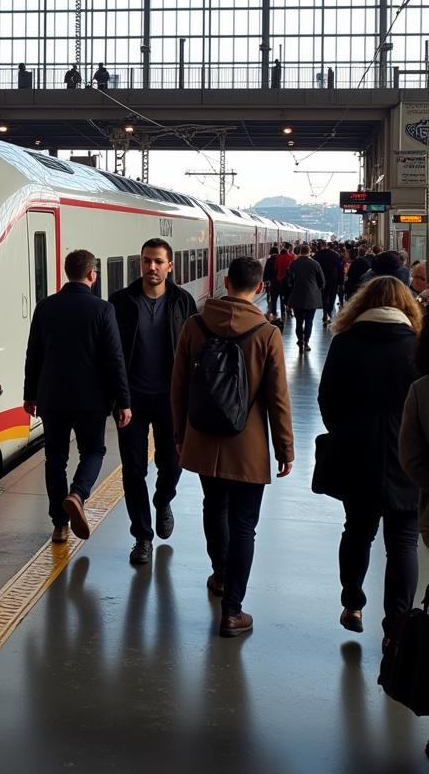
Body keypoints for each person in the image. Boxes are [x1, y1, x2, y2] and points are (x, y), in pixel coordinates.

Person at [171, 256, 293, 638]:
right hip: (248, 444)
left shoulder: (194, 326)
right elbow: (277, 397)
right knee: (244, 526)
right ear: (259, 288)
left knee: (213, 505)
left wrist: (179, 436)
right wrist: (285, 449)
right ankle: (232, 611)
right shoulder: (267, 332)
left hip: (204, 439)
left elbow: (178, 388)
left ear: (225, 282)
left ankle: (220, 575)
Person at [320, 276, 420, 646]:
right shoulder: (417, 345)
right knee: (404, 542)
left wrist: (346, 431)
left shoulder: (345, 343)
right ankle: (396, 627)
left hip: (355, 451)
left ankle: (353, 603)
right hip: (405, 456)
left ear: (361, 303)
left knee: (357, 530)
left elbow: (326, 399)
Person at [23, 249, 132, 544]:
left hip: (52, 399)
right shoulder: (102, 310)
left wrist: (29, 395)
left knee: (55, 459)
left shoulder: (45, 307)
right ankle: (77, 494)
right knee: (93, 451)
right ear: (92, 275)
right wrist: (124, 401)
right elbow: (114, 359)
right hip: (91, 400)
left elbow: (34, 355)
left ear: (65, 272)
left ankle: (59, 526)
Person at [110, 238, 198, 564]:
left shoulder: (183, 302)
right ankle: (142, 537)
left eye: (158, 262)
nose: (152, 267)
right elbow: (111, 353)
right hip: (131, 400)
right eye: (147, 261)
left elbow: (194, 352)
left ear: (169, 266)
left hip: (171, 400)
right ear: (140, 264)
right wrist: (117, 397)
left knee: (172, 464)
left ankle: (163, 500)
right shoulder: (121, 302)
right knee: (133, 471)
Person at [285, 243, 324, 350]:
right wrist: (316, 289)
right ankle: (306, 342)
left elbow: (289, 281)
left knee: (299, 321)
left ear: (300, 252)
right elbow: (322, 282)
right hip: (311, 298)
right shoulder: (315, 264)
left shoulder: (294, 264)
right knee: (309, 321)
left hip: (297, 296)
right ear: (309, 252)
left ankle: (300, 341)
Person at [314, 240, 344, 325]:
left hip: (321, 279)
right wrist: (341, 282)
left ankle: (324, 312)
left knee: (324, 296)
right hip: (333, 279)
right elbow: (340, 268)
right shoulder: (335, 255)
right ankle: (329, 312)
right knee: (332, 296)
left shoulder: (318, 255)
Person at [274, 242, 296, 318]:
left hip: (280, 279)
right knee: (289, 295)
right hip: (289, 280)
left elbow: (276, 269)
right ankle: (288, 308)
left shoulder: (278, 258)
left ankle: (283, 310)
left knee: (282, 295)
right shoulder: (292, 257)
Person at [263, 246, 280, 318]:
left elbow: (266, 270)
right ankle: (275, 310)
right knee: (276, 295)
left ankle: (271, 307)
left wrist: (264, 279)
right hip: (277, 280)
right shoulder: (279, 259)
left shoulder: (269, 260)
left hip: (269, 279)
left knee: (271, 294)